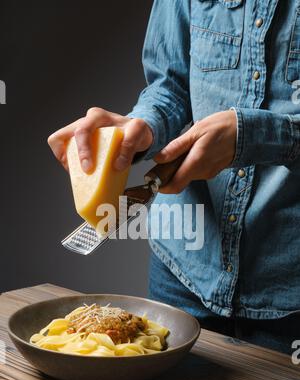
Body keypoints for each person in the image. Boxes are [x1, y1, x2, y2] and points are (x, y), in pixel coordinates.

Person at [48, 0, 300, 354]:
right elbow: (171, 85)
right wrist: (142, 128)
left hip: (290, 299)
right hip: (183, 277)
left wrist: (256, 135)